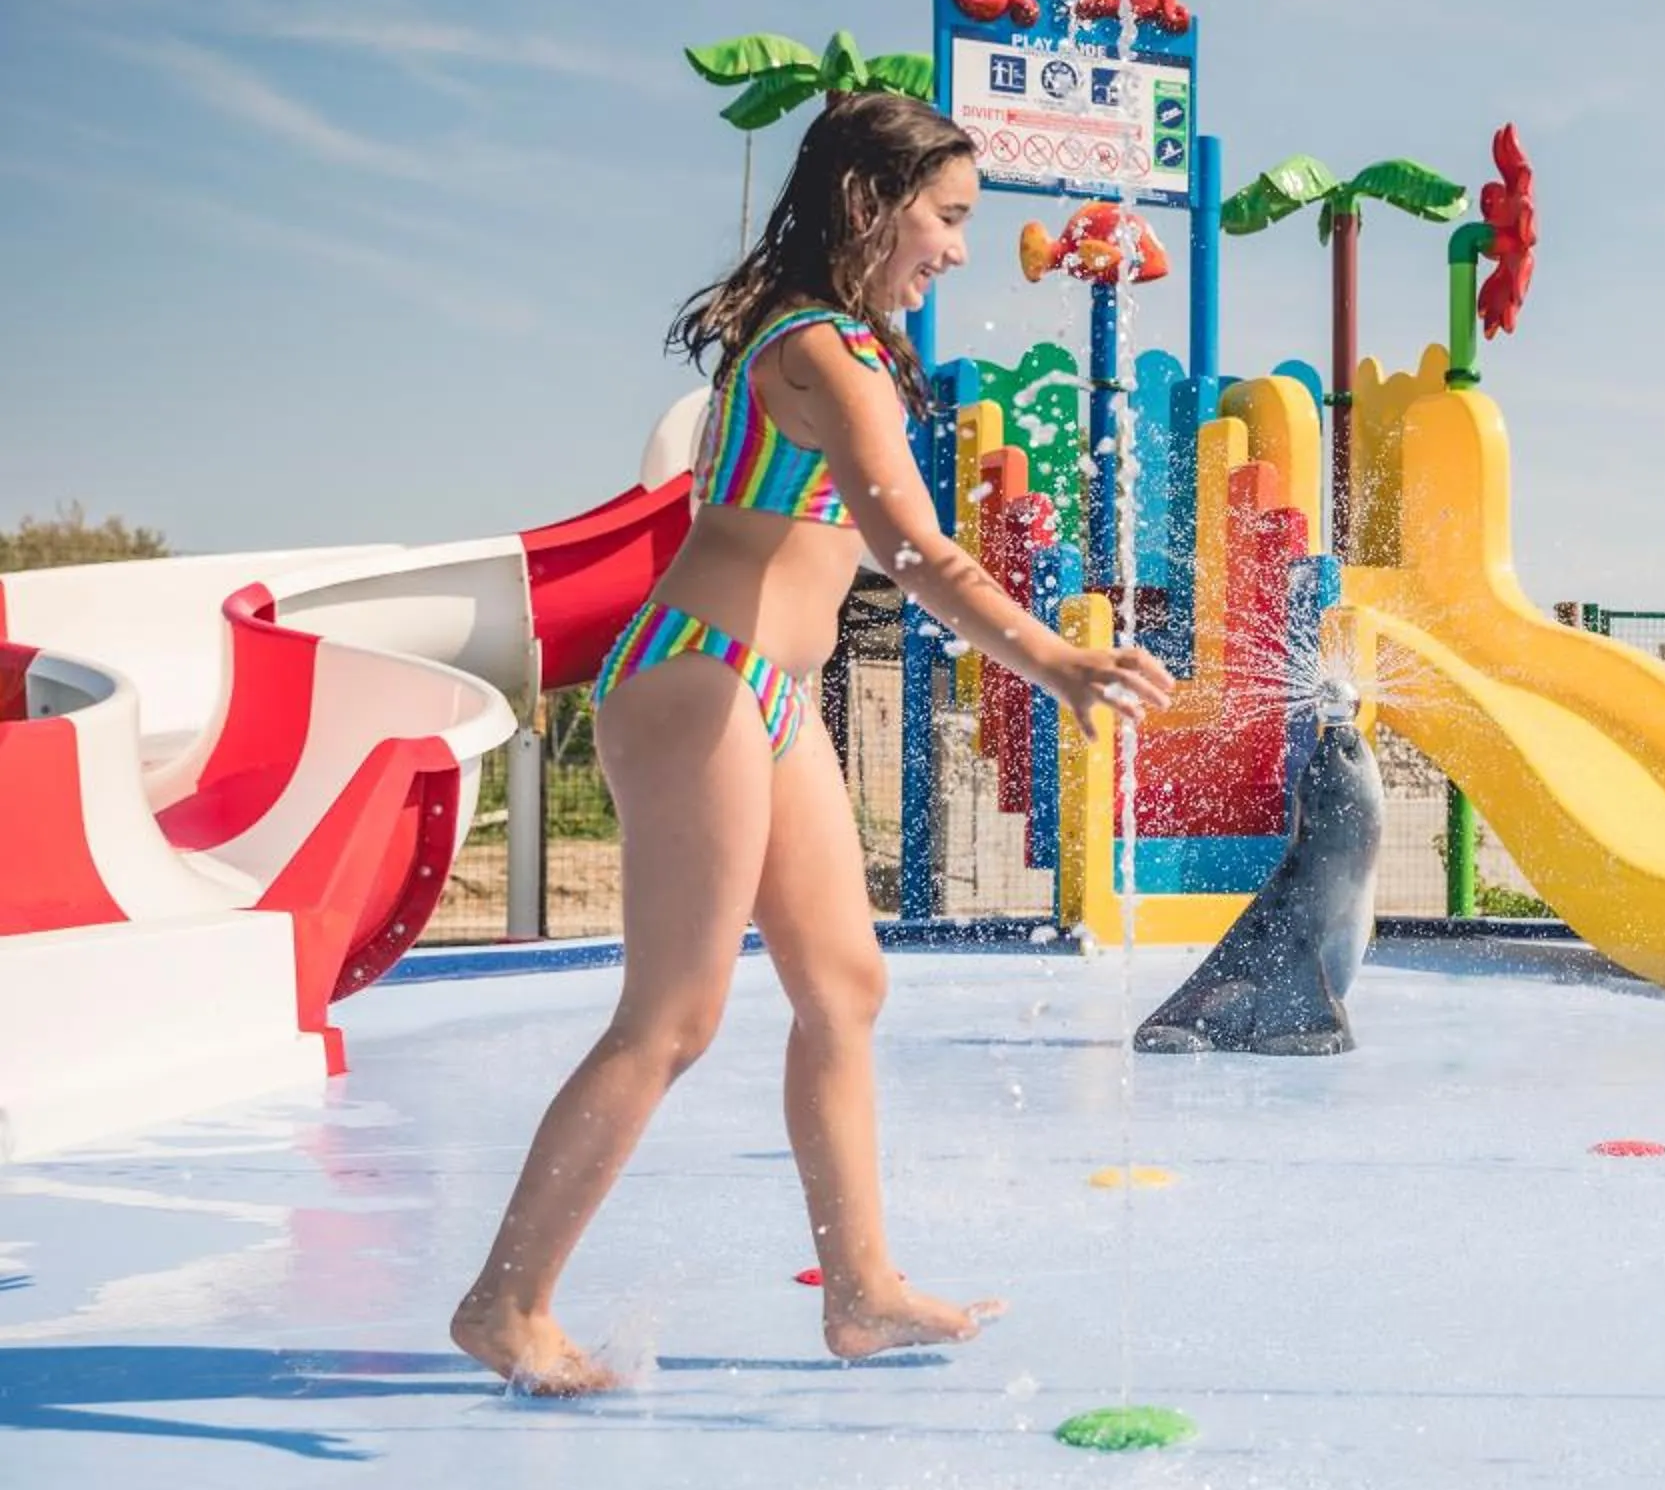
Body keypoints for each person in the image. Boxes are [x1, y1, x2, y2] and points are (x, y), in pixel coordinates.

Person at [451, 92, 1173, 1393]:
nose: (957, 248)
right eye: (946, 217)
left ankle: (861, 1291)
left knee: (845, 987)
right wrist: (1055, 659)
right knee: (673, 1017)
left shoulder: (847, 348)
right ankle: (506, 1303)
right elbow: (912, 550)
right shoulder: (816, 350)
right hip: (698, 680)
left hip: (771, 696)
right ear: (868, 204)